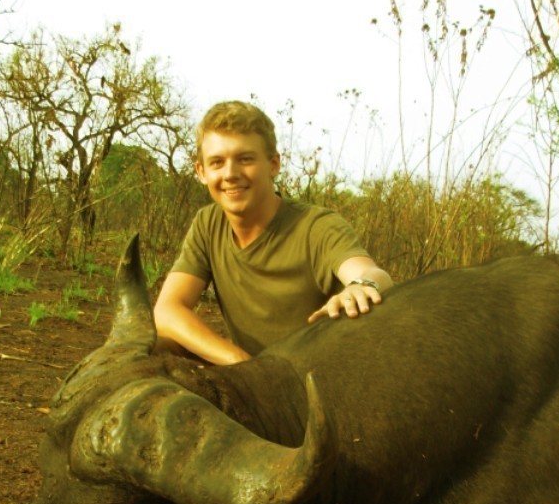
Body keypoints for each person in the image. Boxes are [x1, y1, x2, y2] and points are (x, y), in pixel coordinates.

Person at [154, 101, 393, 364]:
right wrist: (242, 365)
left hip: (322, 377)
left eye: (245, 159)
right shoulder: (208, 223)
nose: (230, 174)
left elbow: (373, 275)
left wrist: (361, 286)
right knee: (153, 351)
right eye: (217, 162)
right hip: (253, 375)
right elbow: (166, 311)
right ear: (202, 172)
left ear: (273, 164)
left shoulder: (317, 226)